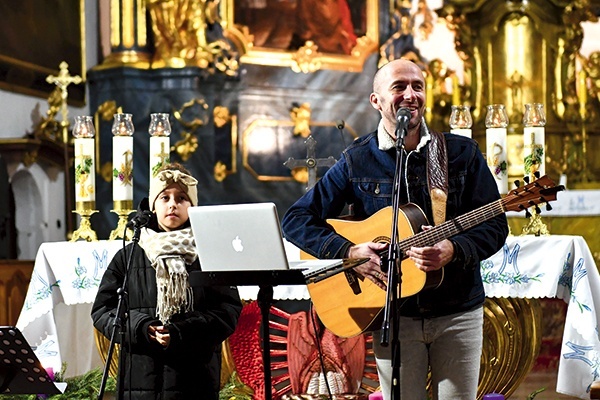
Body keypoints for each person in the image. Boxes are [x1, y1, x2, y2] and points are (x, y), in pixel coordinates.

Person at [281, 59, 509, 399]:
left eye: (417, 86)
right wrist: (348, 251)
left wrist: (454, 250)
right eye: (399, 87)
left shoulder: (461, 153)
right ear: (376, 101)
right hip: (391, 313)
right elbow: (297, 219)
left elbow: (494, 225)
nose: (410, 95)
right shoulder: (358, 159)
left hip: (458, 309)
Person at [92, 162, 242, 400]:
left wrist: (182, 331)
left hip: (194, 381)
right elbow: (103, 310)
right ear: (153, 205)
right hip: (139, 381)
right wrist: (141, 328)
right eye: (165, 197)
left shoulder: (209, 255)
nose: (173, 204)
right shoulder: (129, 255)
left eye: (182, 198)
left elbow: (227, 312)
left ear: (192, 206)